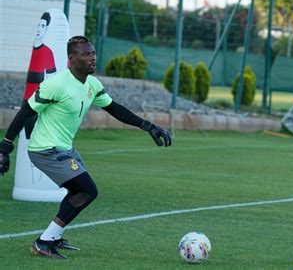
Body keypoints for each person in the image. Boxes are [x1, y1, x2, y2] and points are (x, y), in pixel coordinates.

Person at [0, 36, 172, 260]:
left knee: (78, 190)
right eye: (86, 54)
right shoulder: (56, 84)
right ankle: (43, 241)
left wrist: (148, 126)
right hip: (46, 150)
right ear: (72, 59)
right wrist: (5, 147)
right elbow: (26, 112)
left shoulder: (92, 84)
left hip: (64, 149)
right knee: (87, 190)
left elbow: (114, 109)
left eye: (93, 53)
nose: (93, 58)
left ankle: (53, 238)